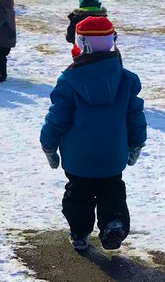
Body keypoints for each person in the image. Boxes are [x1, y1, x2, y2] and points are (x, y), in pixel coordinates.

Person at [40, 13, 145, 254]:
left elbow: (57, 117)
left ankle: (79, 232)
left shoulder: (69, 80)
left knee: (78, 196)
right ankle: (113, 223)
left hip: (79, 159)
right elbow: (135, 115)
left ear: (81, 44)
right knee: (112, 191)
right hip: (112, 156)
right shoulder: (127, 80)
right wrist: (136, 143)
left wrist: (48, 144)